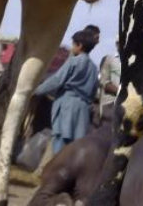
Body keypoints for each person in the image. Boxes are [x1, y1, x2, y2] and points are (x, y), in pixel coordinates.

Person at [35, 28, 98, 156]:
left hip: (67, 105)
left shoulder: (73, 61)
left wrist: (36, 91)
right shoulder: (93, 67)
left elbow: (57, 80)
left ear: (79, 45)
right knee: (75, 145)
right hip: (83, 109)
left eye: (73, 44)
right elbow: (93, 91)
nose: (72, 48)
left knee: (61, 141)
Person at [96, 35, 121, 127]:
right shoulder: (109, 59)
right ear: (117, 44)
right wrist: (121, 92)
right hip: (109, 107)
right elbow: (104, 82)